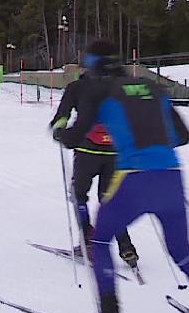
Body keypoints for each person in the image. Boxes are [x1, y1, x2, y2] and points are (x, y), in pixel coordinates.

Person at [51, 40, 189, 313]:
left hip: (132, 179)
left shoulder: (97, 91)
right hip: (171, 177)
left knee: (100, 242)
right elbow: (182, 135)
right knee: (183, 254)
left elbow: (74, 136)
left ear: (93, 65)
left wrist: (59, 133)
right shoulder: (151, 87)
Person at [49, 69, 139, 267]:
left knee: (79, 195)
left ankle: (88, 242)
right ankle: (126, 247)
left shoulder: (77, 87)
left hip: (86, 151)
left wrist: (59, 131)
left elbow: (61, 117)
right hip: (114, 152)